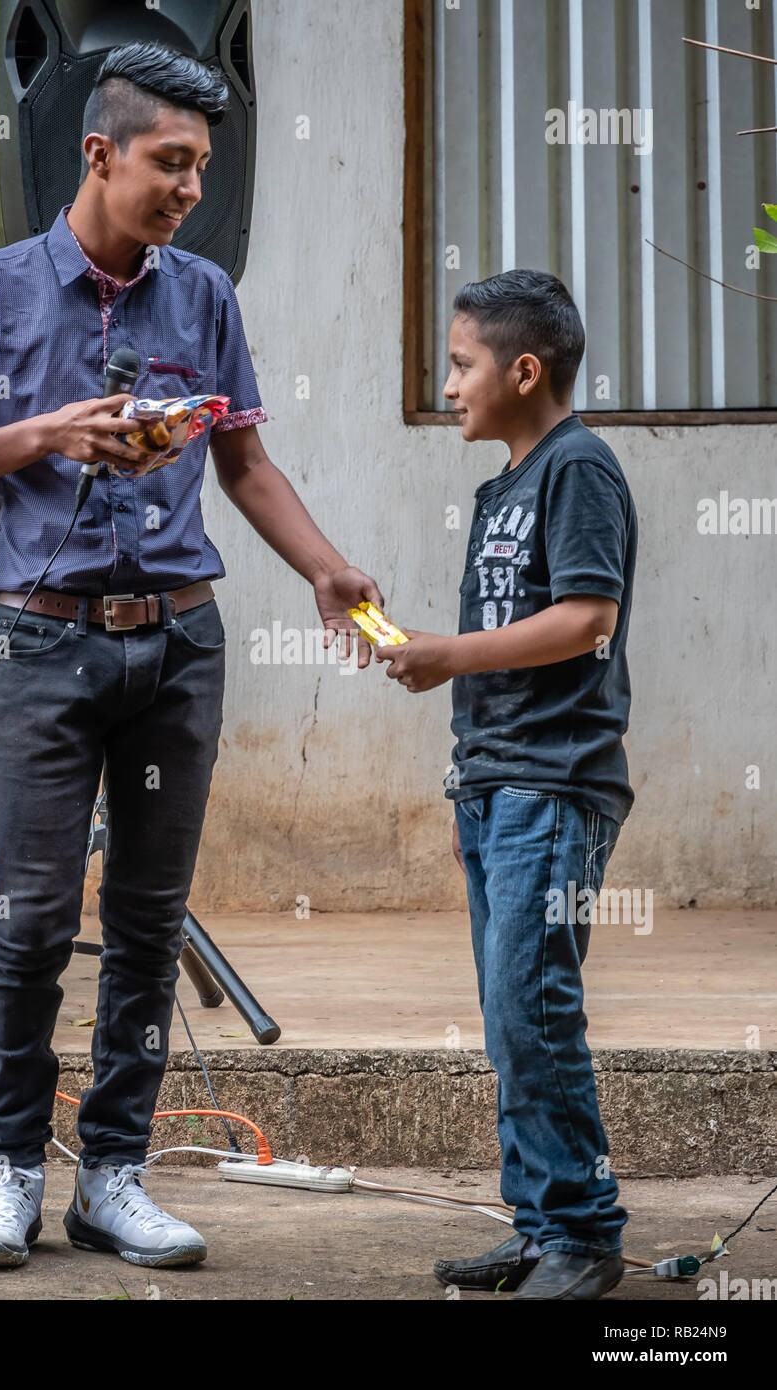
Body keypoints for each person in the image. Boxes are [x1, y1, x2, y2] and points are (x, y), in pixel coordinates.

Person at [0, 40, 381, 1271]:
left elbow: (245, 463)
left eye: (203, 168)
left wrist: (324, 566)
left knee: (152, 921)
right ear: (100, 154)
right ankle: (8, 1168)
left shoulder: (203, 296)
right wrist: (46, 433)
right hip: (43, 646)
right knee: (37, 917)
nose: (189, 190)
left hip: (176, 646)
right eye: (171, 163)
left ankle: (113, 1175)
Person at [376, 269, 637, 1301]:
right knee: (506, 1013)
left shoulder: (579, 471)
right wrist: (466, 779)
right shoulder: (504, 488)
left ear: (524, 370)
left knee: (535, 1009)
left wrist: (449, 653)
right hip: (499, 783)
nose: (449, 385)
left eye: (461, 363)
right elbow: (504, 651)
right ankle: (538, 1226)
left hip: (557, 781)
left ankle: (581, 1233)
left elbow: (586, 620)